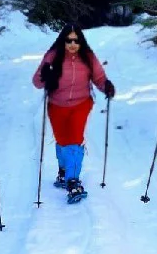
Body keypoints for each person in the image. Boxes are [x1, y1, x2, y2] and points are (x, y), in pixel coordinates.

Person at [32, 24, 115, 203]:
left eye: (76, 40)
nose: (72, 44)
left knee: (74, 140)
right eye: (68, 40)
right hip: (56, 105)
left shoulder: (88, 57)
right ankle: (63, 171)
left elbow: (99, 78)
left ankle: (73, 180)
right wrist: (44, 75)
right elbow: (37, 82)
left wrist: (106, 86)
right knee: (62, 140)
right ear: (63, 40)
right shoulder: (52, 56)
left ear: (80, 41)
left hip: (81, 104)